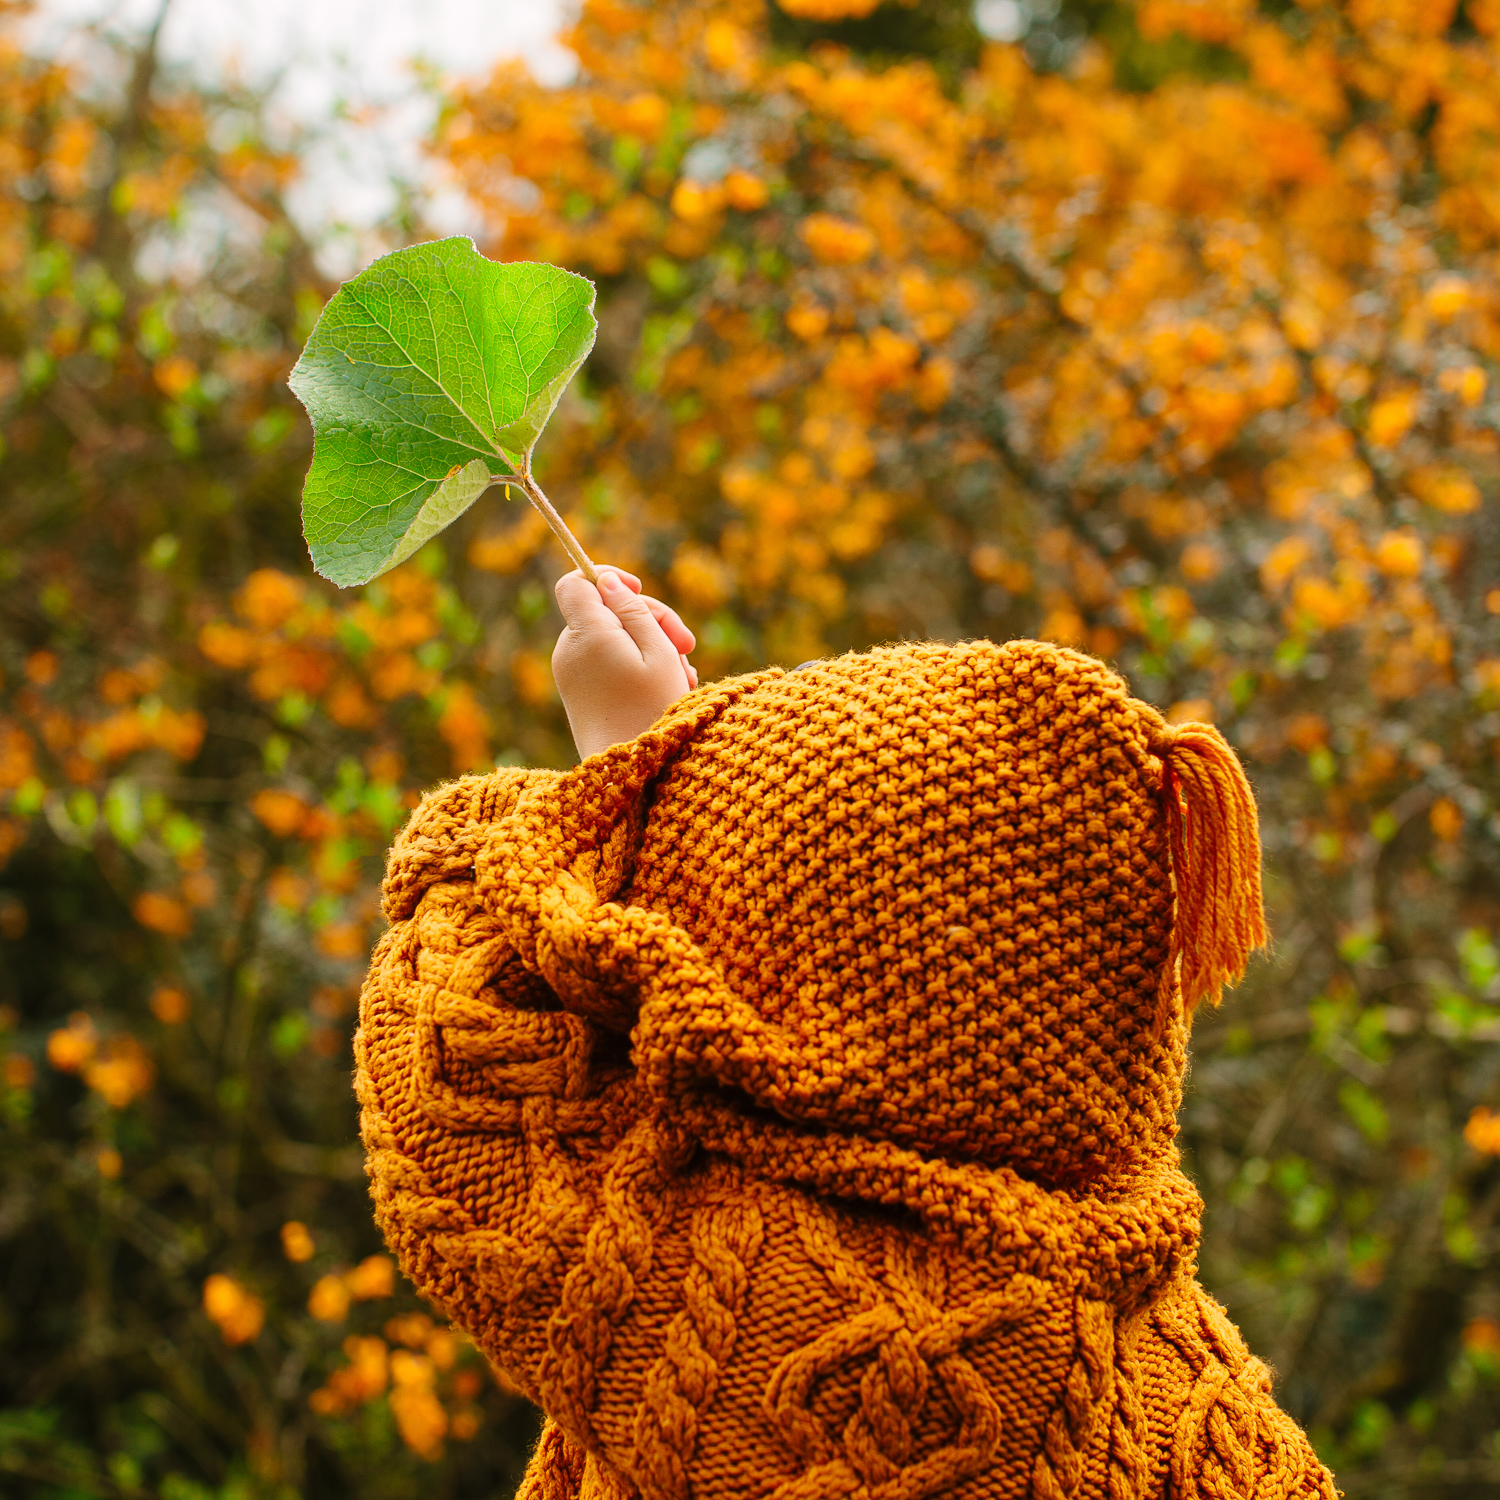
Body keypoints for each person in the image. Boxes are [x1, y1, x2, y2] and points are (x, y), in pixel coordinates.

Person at [355, 567, 1338, 1500]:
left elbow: (450, 1069)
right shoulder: (1174, 1354)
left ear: (812, 1024)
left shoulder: (806, 1315)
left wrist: (621, 769)